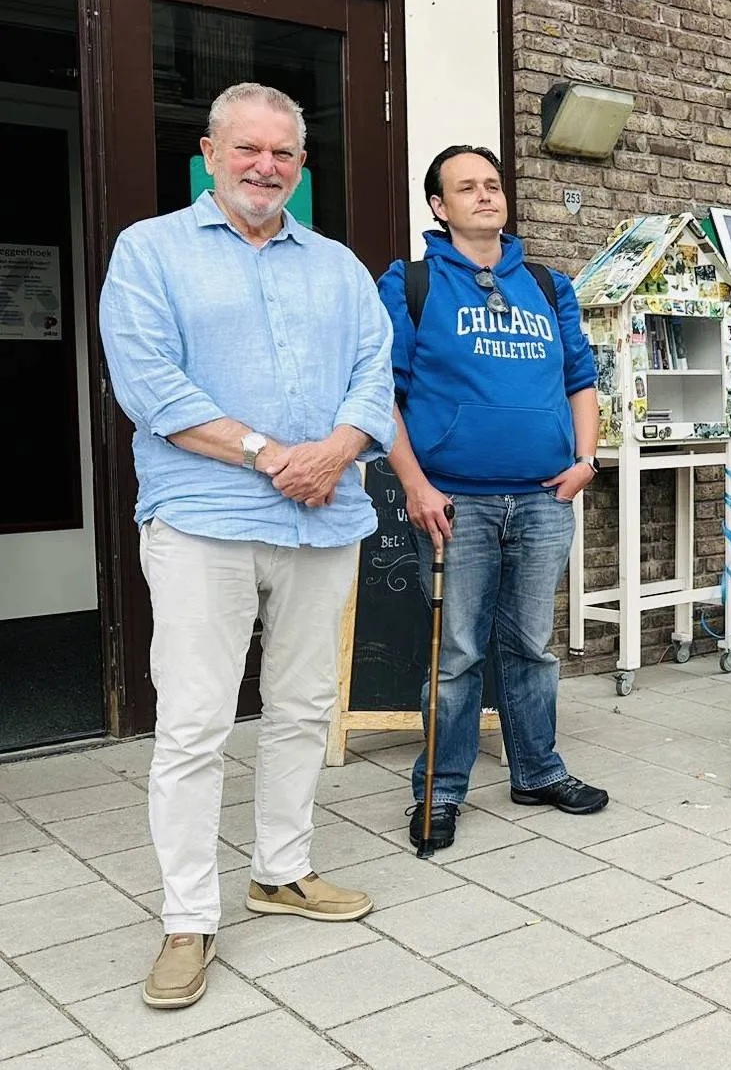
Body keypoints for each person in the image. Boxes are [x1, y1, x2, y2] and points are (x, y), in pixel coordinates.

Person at [99, 83, 392, 1009]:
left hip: (324, 517)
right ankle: (188, 918)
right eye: (248, 150)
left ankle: (281, 868)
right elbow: (150, 385)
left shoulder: (339, 266)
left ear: (302, 165)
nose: (266, 167)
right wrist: (274, 454)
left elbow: (374, 371)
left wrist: (340, 449)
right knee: (193, 724)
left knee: (304, 705)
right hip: (203, 522)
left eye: (284, 154)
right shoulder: (149, 252)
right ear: (210, 151)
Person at [376, 145, 607, 852]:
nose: (485, 195)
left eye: (493, 184)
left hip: (542, 498)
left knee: (532, 646)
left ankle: (537, 769)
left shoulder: (545, 282)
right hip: (457, 503)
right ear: (439, 207)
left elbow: (581, 378)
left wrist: (586, 461)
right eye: (466, 188)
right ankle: (440, 788)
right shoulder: (410, 282)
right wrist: (414, 484)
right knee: (457, 654)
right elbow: (381, 390)